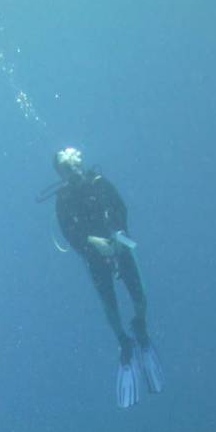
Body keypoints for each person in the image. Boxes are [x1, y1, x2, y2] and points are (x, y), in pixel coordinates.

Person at [46, 147, 163, 408]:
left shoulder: (100, 183)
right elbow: (69, 231)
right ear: (61, 173)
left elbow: (120, 208)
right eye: (67, 169)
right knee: (108, 303)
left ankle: (139, 326)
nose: (73, 172)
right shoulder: (63, 198)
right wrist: (91, 241)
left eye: (75, 166)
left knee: (139, 295)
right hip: (94, 254)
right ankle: (123, 340)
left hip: (118, 244)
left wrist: (119, 234)